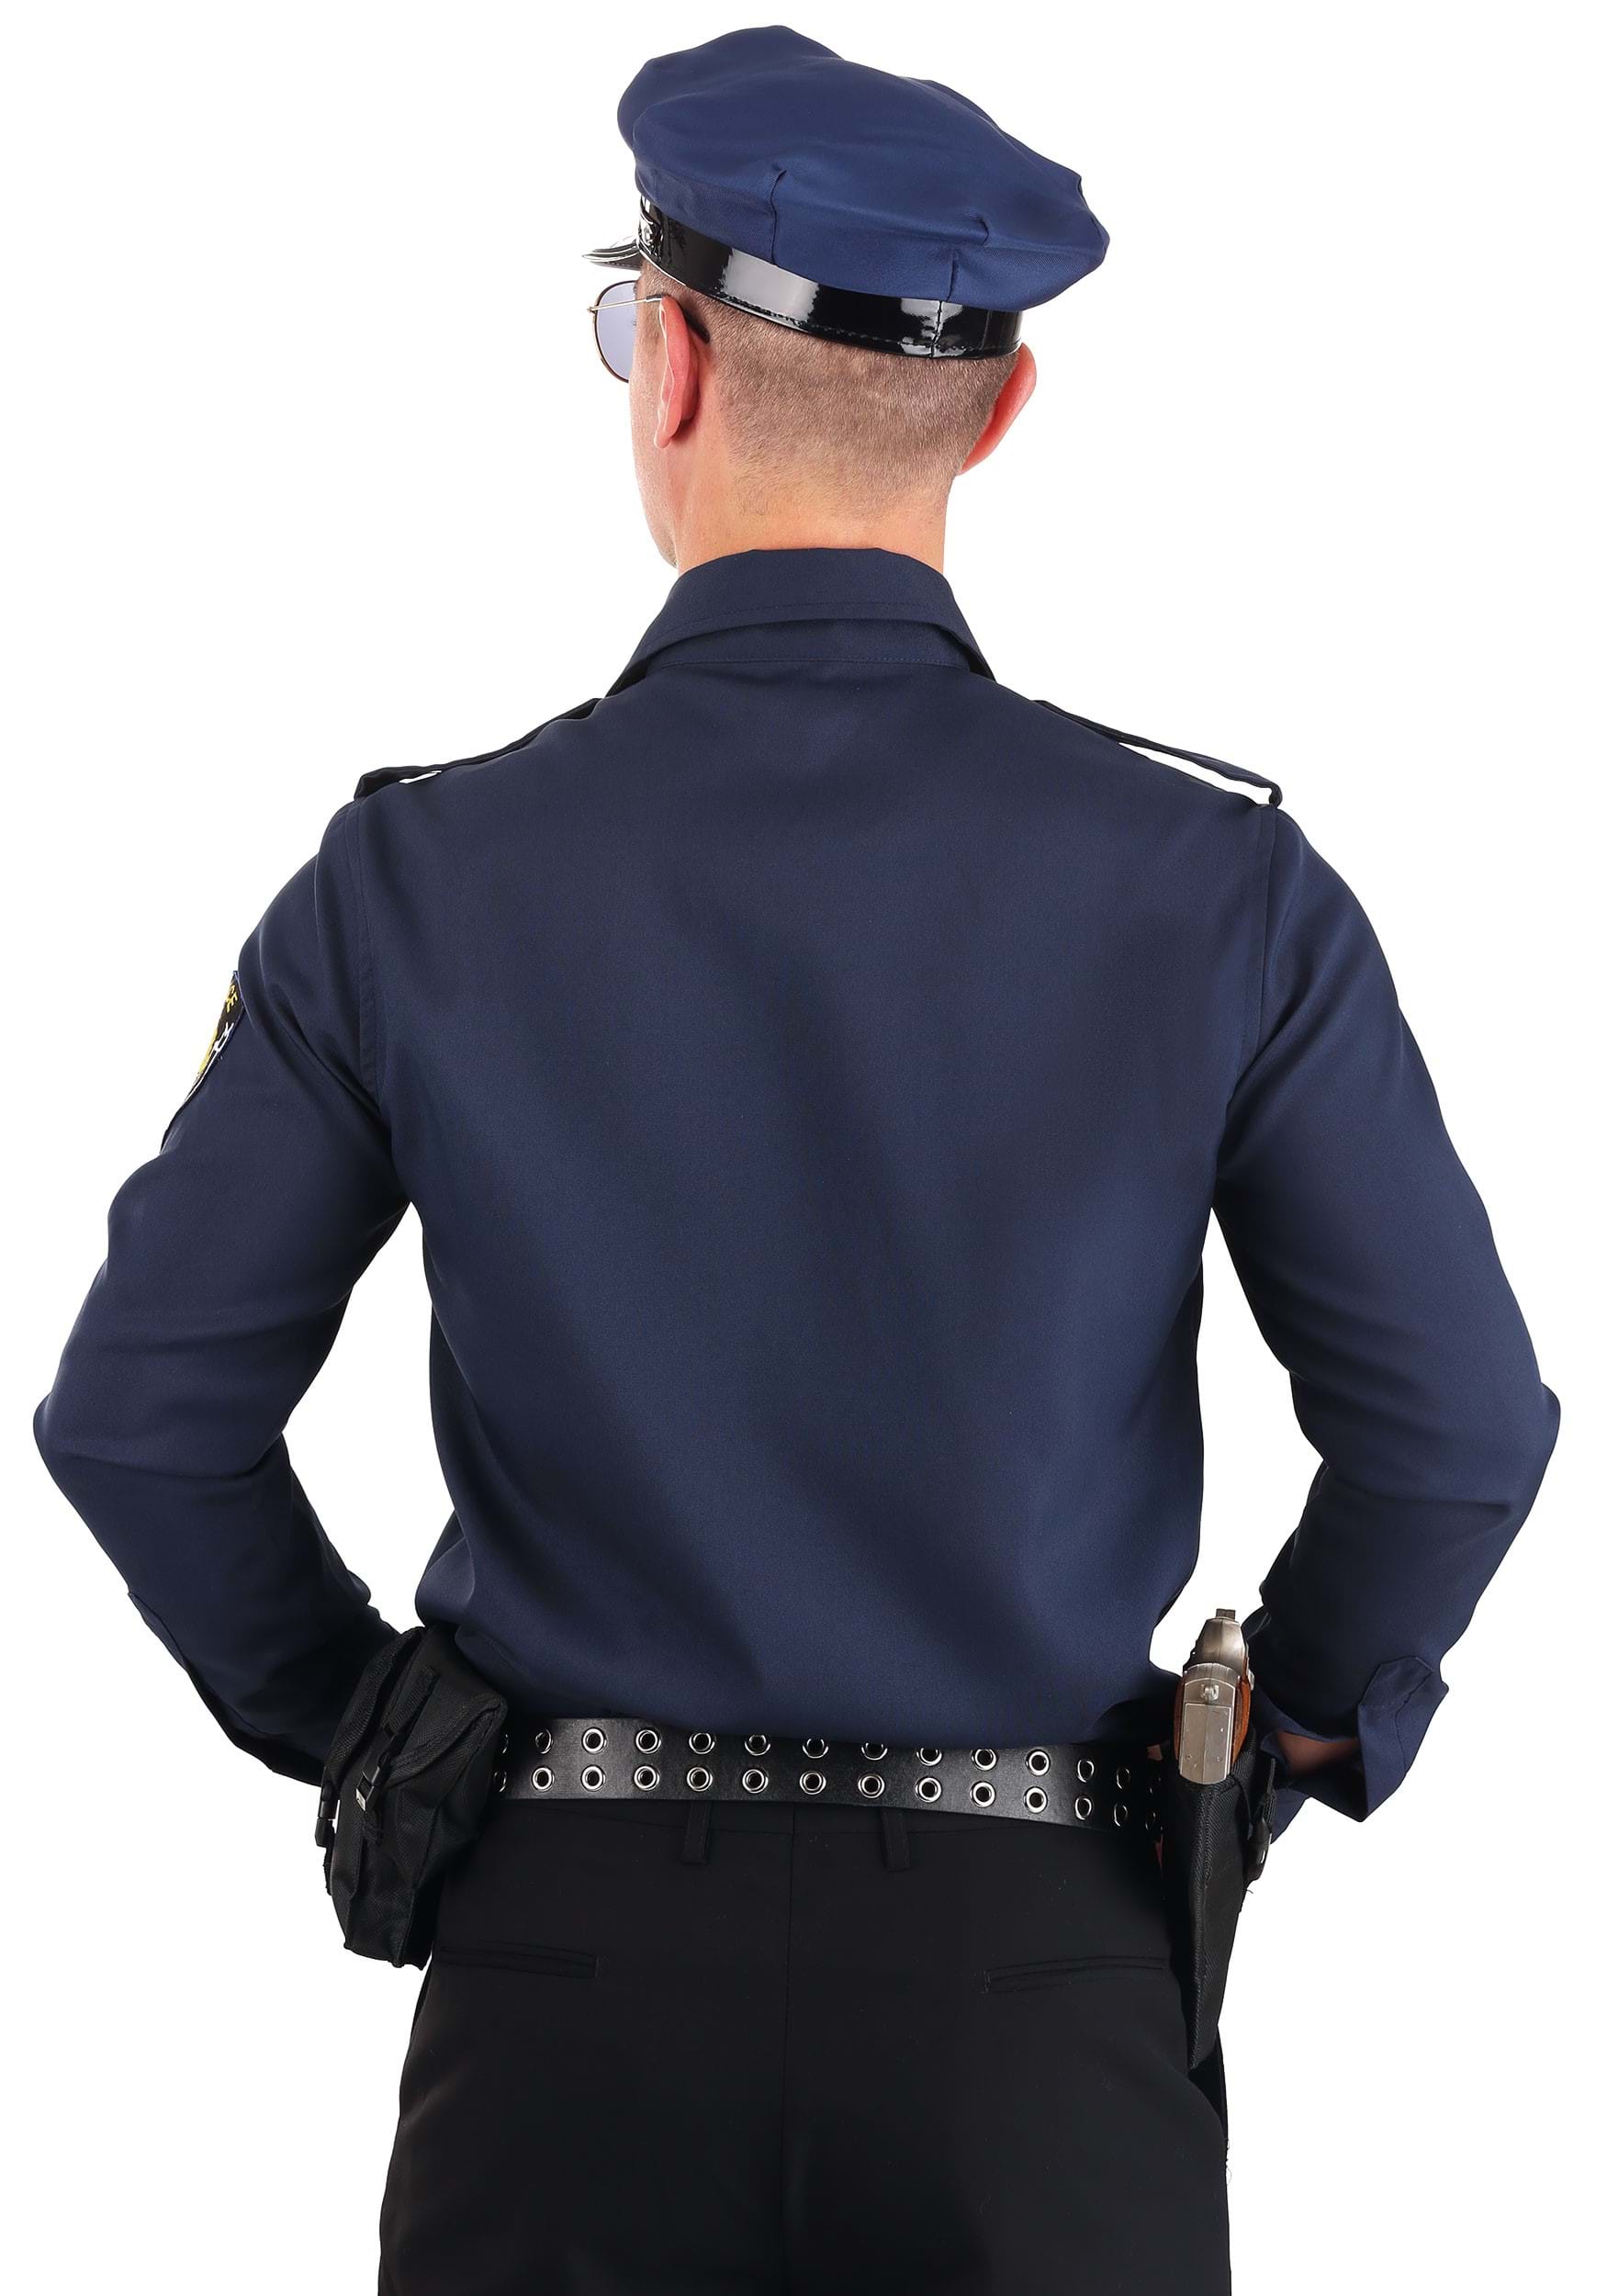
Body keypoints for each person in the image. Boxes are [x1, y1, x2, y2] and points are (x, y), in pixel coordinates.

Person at [34, 26, 1558, 2294]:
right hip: (1042, 1990)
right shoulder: (1215, 890)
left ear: (663, 366)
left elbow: (144, 1414)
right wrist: (1285, 1727)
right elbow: (1449, 1429)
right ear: (1000, 411)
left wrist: (366, 1723)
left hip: (557, 1982)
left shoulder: (417, 881)